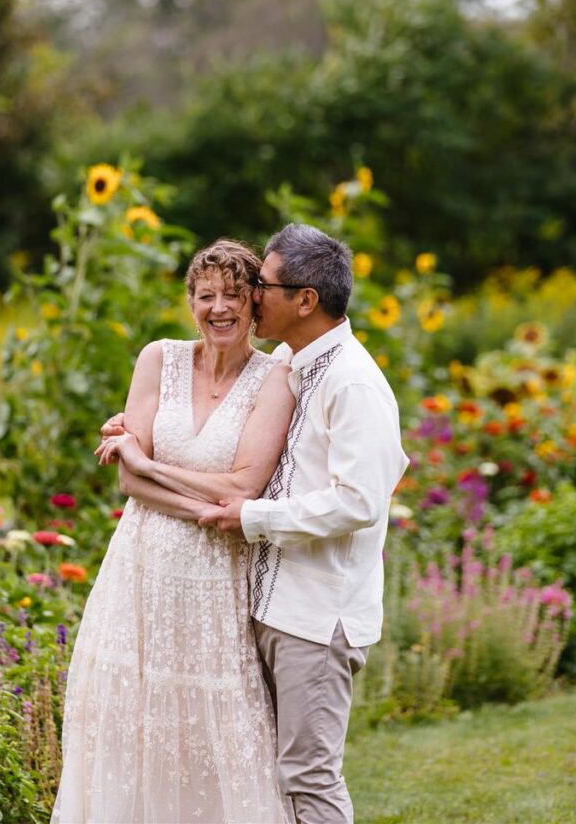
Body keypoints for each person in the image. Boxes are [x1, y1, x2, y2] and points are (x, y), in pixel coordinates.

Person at [101, 224, 410, 824]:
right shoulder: (301, 361)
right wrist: (140, 425)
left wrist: (251, 515)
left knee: (308, 776)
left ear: (304, 300)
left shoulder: (353, 382)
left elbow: (359, 502)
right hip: (273, 603)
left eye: (259, 286)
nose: (246, 297)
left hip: (319, 616)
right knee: (274, 771)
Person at [51, 240, 296, 824]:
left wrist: (150, 461)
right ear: (190, 300)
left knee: (214, 721)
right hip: (138, 569)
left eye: (234, 296)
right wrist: (200, 504)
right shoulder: (157, 358)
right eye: (206, 295)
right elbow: (128, 486)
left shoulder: (275, 377)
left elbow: (244, 488)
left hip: (216, 580)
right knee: (130, 716)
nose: (219, 308)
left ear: (255, 304)